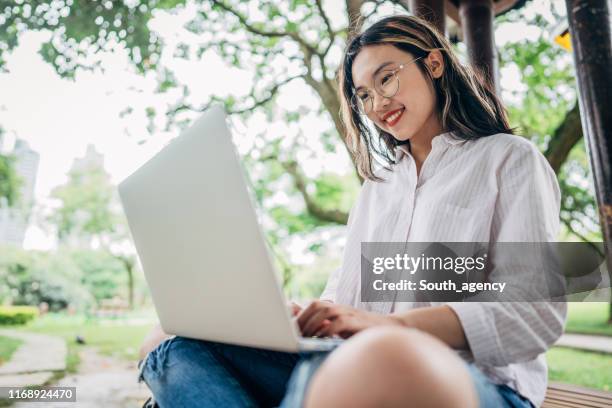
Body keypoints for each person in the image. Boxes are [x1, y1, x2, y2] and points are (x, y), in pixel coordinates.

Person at [139, 14, 565, 408]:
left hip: (477, 383)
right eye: (363, 94)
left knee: (383, 356)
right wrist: (308, 317)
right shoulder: (378, 188)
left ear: (433, 64)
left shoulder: (509, 160)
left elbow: (532, 314)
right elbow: (346, 298)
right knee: (173, 347)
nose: (377, 103)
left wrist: (386, 330)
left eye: (387, 79)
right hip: (352, 368)